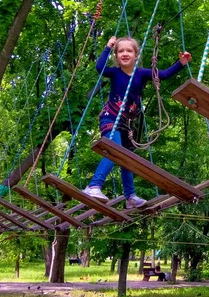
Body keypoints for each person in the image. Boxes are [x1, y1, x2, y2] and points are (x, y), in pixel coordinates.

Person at [82, 36, 191, 209]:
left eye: (129, 51)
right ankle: (94, 185)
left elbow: (163, 74)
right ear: (116, 56)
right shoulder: (115, 73)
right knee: (115, 149)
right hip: (110, 117)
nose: (124, 53)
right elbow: (99, 67)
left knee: (127, 158)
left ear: (136, 55)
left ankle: (130, 197)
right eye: (120, 51)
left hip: (126, 123)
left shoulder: (141, 74)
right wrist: (108, 47)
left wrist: (181, 63)